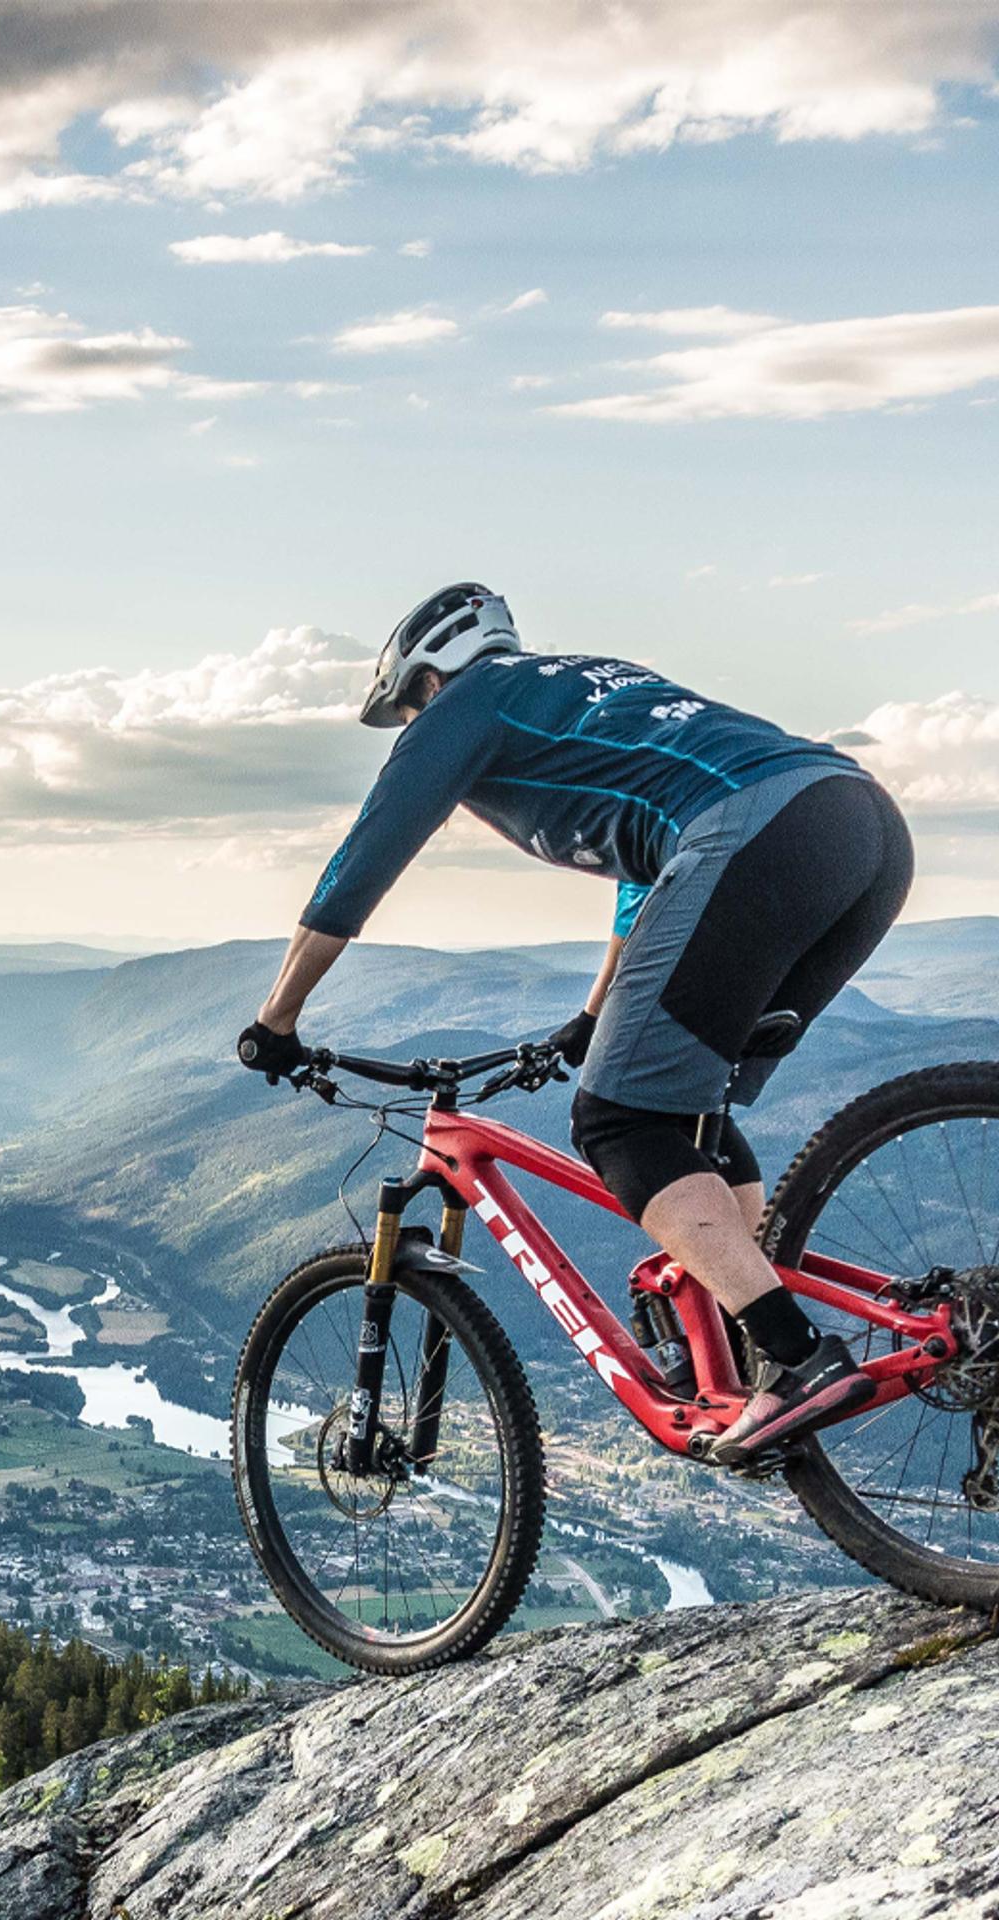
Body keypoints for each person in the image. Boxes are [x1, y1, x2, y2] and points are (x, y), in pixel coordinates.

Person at [236, 583, 915, 1463]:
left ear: (431, 679)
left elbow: (361, 864)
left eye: (408, 705)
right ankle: (754, 1360)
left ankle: (794, 1361)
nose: (411, 722)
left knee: (619, 1123)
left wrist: (276, 1019)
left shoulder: (469, 704)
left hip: (761, 834)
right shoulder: (593, 684)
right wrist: (593, 1016)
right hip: (856, 826)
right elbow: (651, 865)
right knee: (689, 1117)